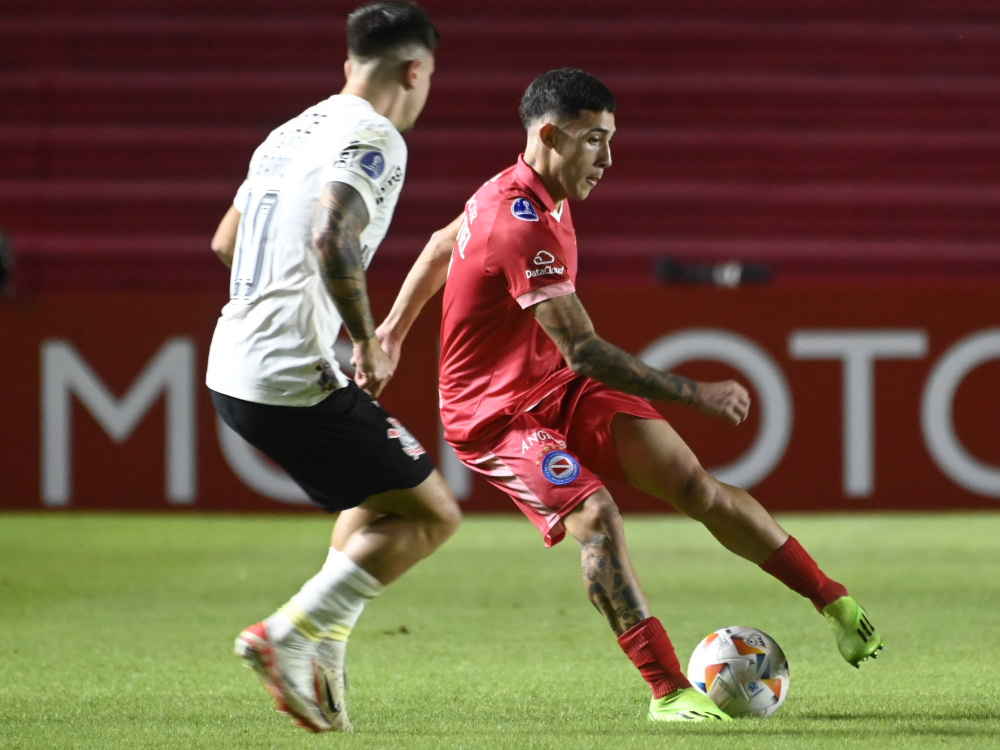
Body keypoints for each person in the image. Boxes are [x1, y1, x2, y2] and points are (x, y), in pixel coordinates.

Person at [359, 68, 883, 723]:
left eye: (610, 139)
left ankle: (835, 602)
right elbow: (586, 349)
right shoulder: (519, 223)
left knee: (693, 486)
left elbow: (444, 243)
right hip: (494, 416)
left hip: (556, 384)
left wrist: (391, 331)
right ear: (549, 136)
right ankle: (667, 690)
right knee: (596, 517)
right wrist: (695, 392)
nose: (608, 158)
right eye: (594, 140)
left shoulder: (525, 192)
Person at [205, 1, 461, 734]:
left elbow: (225, 241)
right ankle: (288, 633)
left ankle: (324, 643)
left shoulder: (288, 133)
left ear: (349, 64)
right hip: (288, 371)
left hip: (232, 361)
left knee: (376, 497)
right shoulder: (375, 136)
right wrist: (365, 338)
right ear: (414, 71)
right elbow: (329, 233)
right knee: (434, 515)